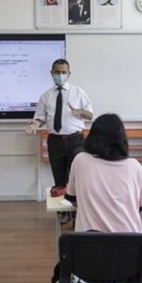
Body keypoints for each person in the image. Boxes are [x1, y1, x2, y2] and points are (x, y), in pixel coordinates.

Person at [65, 113, 142, 233]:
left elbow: (71, 197)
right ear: (121, 139)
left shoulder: (80, 160)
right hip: (129, 244)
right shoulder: (133, 166)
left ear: (92, 136)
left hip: (88, 245)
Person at [27, 59, 93, 202]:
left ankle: (77, 211)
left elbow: (90, 115)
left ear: (69, 74)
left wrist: (80, 111)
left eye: (64, 72)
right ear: (51, 73)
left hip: (75, 140)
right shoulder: (46, 96)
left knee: (77, 177)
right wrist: (35, 124)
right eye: (57, 72)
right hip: (55, 141)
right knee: (59, 179)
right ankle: (62, 212)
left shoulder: (78, 92)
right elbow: (40, 117)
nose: (60, 75)